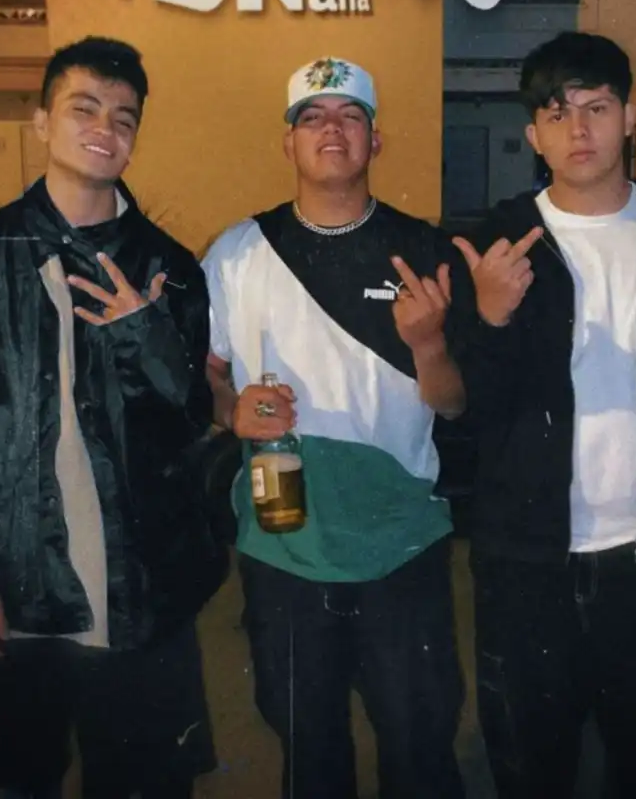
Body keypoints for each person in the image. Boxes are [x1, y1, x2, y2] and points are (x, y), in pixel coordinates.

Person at [0, 36, 225, 799]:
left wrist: (147, 337)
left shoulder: (169, 267)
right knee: (21, 780)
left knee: (147, 785)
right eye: (84, 108)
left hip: (142, 601)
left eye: (124, 117)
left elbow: (191, 421)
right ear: (42, 121)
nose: (105, 128)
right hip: (19, 595)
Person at [454, 31, 636, 798]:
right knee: (531, 771)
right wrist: (488, 317)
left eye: (596, 107)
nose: (578, 129)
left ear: (630, 118)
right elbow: (466, 413)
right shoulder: (497, 244)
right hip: (527, 567)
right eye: (557, 114)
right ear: (534, 135)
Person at [201, 57, 473, 799]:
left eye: (351, 116)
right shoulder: (237, 253)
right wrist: (230, 408)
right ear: (287, 142)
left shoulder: (423, 250)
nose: (332, 128)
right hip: (285, 544)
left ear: (374, 141)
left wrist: (428, 345)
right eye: (312, 116)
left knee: (419, 745)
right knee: (309, 746)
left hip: (401, 546)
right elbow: (209, 376)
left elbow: (453, 405)